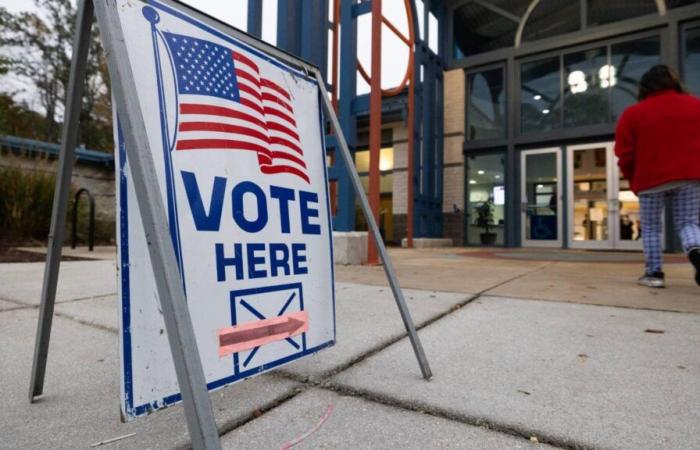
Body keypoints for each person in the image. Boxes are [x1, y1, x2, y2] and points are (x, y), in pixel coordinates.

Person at [615, 65, 700, 288]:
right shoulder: (695, 106)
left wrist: (632, 179)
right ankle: (696, 251)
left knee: (651, 227)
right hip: (690, 176)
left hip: (650, 180)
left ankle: (654, 274)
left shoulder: (633, 113)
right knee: (688, 222)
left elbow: (625, 153)